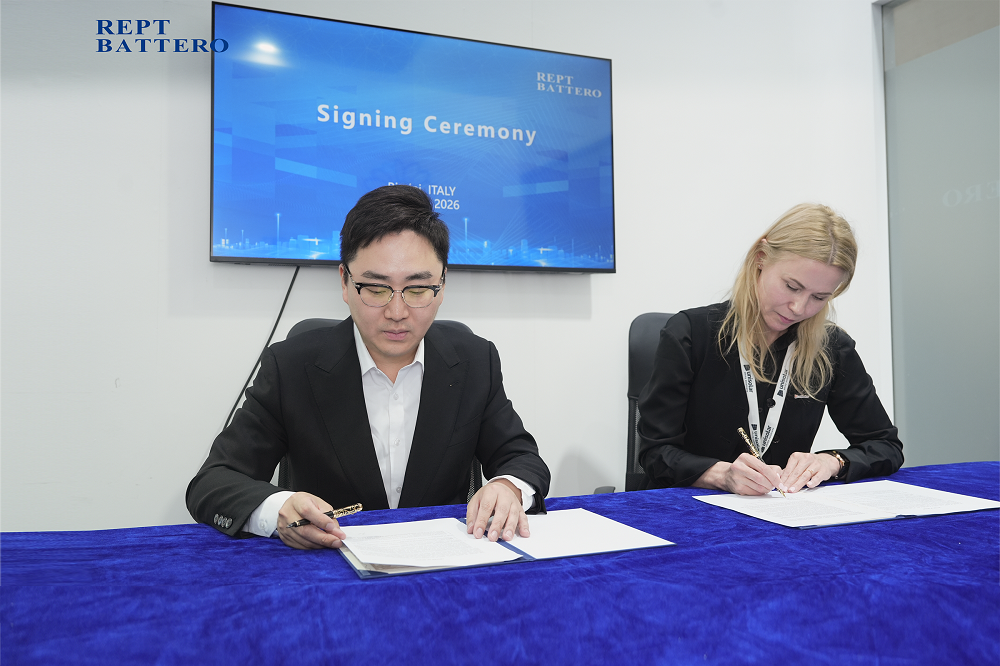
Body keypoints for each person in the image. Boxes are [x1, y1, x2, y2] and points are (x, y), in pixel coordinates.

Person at [187, 185, 550, 549]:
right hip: (330, 565)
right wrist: (278, 510)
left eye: (418, 289)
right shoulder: (291, 367)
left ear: (441, 286)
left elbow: (521, 458)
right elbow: (213, 482)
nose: (397, 312)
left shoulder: (475, 361)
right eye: (376, 289)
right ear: (344, 282)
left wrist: (509, 487)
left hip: (443, 562)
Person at [637, 203, 903, 495]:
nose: (799, 307)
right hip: (689, 506)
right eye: (792, 286)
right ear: (761, 258)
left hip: (782, 510)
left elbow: (885, 446)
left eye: (819, 297)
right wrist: (722, 475)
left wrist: (832, 461)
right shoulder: (690, 333)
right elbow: (655, 453)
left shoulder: (832, 348)